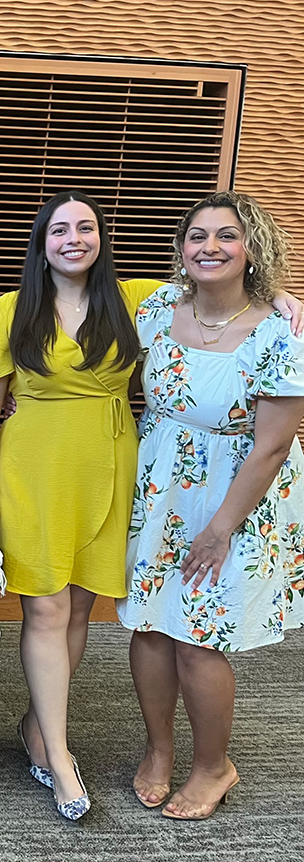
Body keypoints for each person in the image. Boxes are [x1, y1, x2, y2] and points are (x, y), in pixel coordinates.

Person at [0, 190, 159, 821]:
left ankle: (39, 724)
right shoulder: (13, 309)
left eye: (87, 227)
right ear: (42, 245)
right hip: (34, 469)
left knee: (78, 605)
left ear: (102, 238)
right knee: (44, 606)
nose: (75, 238)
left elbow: (220, 294)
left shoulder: (135, 300)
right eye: (60, 230)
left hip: (111, 464)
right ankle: (62, 755)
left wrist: (282, 297)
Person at [118, 191, 304, 820]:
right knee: (148, 624)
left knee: (199, 637)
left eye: (227, 236)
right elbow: (79, 321)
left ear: (252, 249)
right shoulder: (156, 307)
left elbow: (274, 444)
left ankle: (212, 766)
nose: (210, 248)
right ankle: (159, 750)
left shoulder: (282, 330)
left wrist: (222, 528)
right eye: (197, 236)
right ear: (181, 248)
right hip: (161, 484)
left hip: (238, 494)